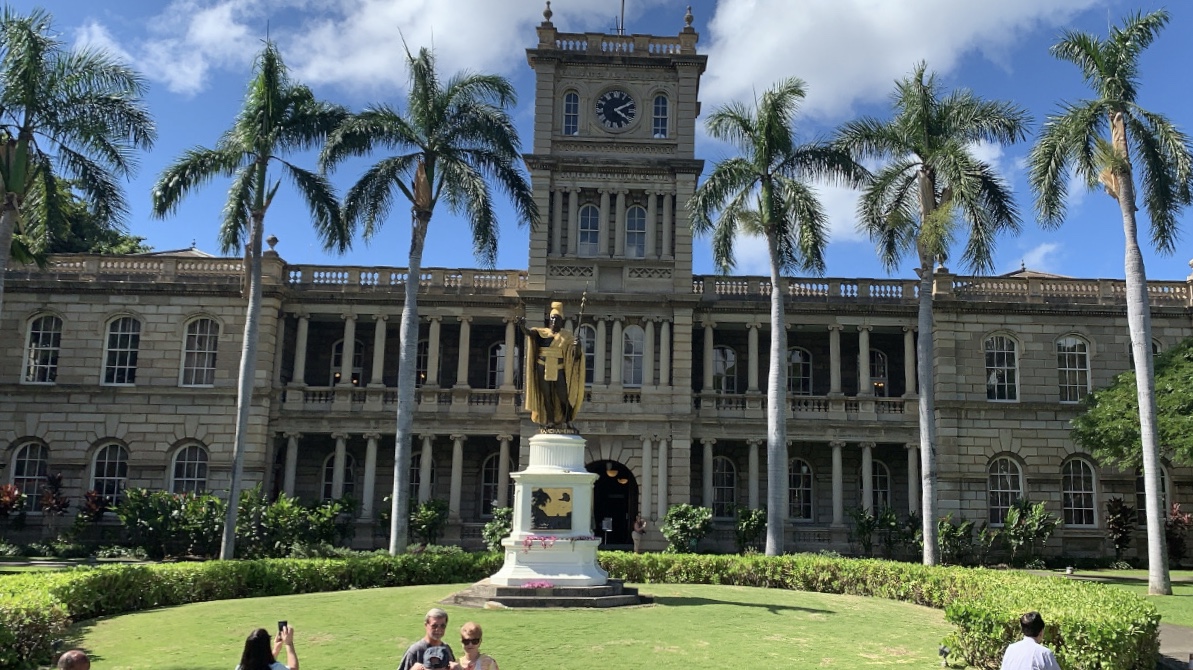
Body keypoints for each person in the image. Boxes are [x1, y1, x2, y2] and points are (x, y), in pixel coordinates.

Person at [518, 301, 584, 430]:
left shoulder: (567, 336)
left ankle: (568, 419)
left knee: (563, 396)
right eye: (553, 318)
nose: (554, 321)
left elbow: (575, 356)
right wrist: (521, 326)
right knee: (546, 396)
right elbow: (528, 333)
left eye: (557, 319)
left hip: (559, 369)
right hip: (542, 367)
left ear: (561, 321)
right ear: (549, 320)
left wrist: (578, 345)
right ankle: (550, 421)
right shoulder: (541, 332)